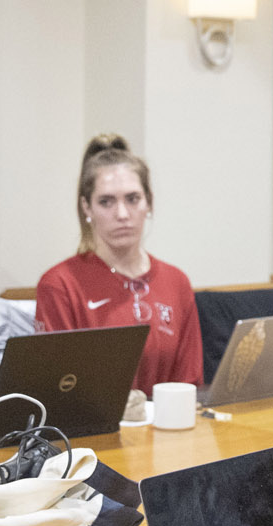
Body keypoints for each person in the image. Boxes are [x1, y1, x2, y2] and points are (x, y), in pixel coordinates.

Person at [34, 136, 201, 397]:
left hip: (169, 429)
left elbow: (190, 383)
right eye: (106, 202)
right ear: (86, 207)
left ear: (149, 203)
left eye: (133, 199)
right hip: (91, 434)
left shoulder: (176, 282)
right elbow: (56, 390)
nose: (122, 214)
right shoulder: (60, 284)